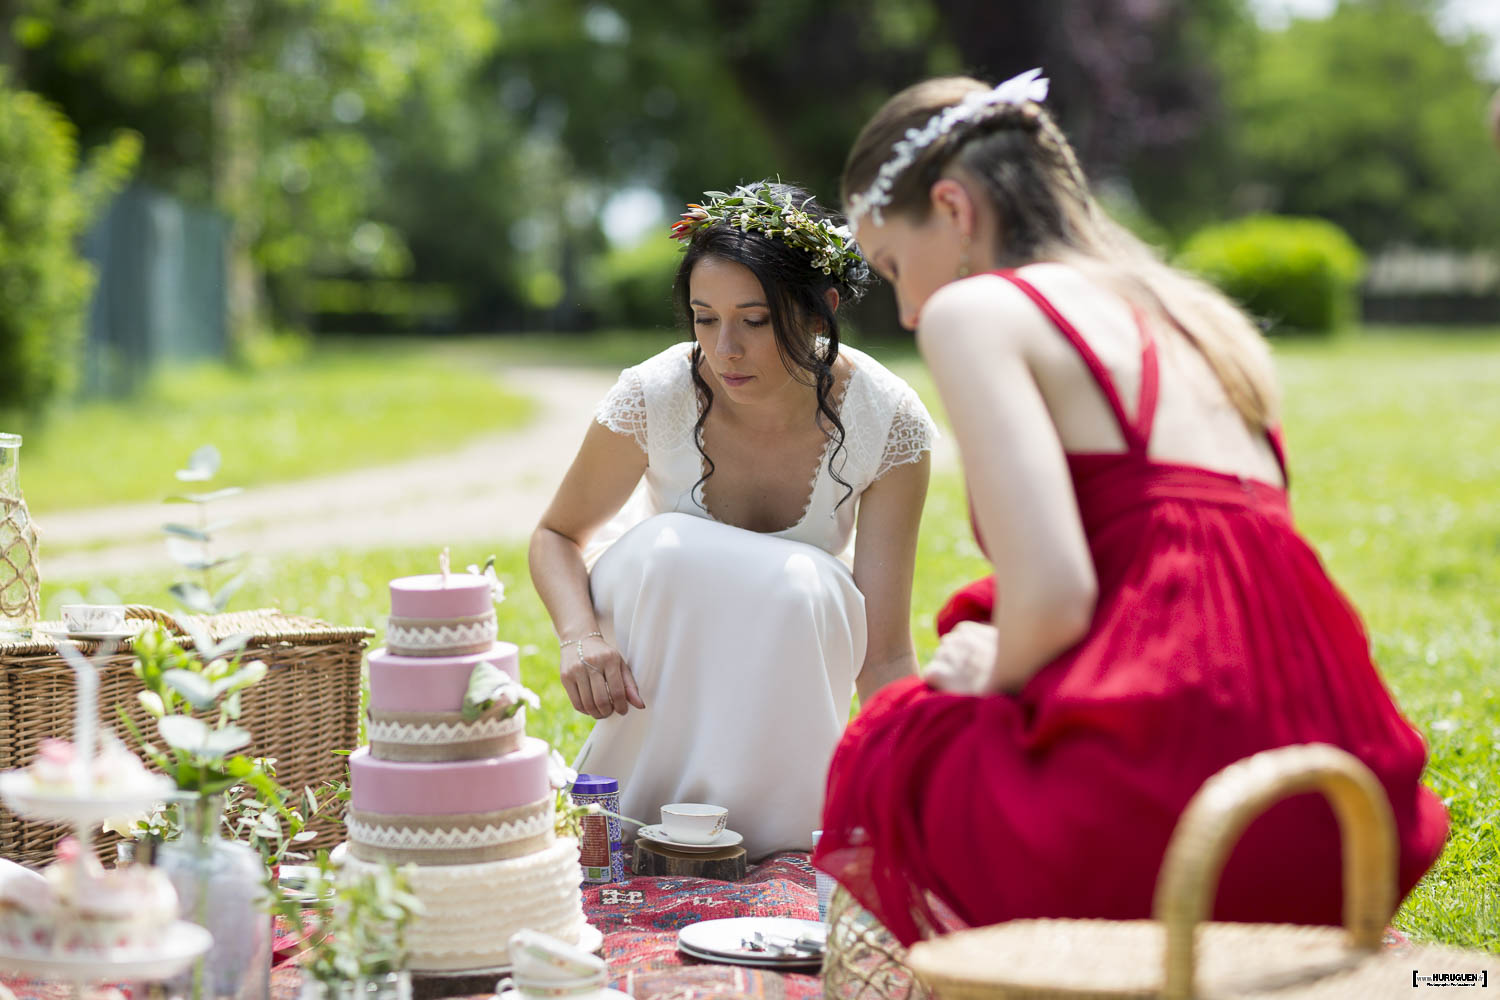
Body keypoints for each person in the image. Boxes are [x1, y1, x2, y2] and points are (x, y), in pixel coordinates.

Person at [814, 70, 1448, 943]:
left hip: (1166, 801)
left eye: (893, 266)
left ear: (955, 209)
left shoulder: (980, 312)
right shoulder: (1201, 318)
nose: (913, 310)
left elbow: (1057, 596)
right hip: (1340, 802)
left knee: (896, 740)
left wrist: (983, 676)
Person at [529, 180, 938, 859]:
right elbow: (555, 535)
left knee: (812, 584)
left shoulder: (887, 419)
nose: (725, 350)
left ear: (819, 311)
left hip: (789, 639)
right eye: (703, 317)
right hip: (665, 622)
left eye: (753, 320)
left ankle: (782, 833)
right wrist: (578, 637)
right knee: (665, 548)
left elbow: (887, 651)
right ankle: (633, 813)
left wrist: (920, 782)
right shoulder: (653, 394)